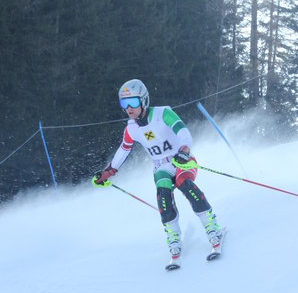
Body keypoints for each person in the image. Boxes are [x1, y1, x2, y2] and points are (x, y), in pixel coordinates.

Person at [92, 78, 224, 266]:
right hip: (160, 167)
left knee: (185, 185)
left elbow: (183, 131)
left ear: (144, 100)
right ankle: (174, 239)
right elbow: (124, 149)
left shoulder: (163, 113)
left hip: (182, 161)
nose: (129, 108)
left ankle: (213, 229)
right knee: (163, 197)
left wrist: (184, 150)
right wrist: (110, 170)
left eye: (133, 102)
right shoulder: (131, 128)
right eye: (124, 103)